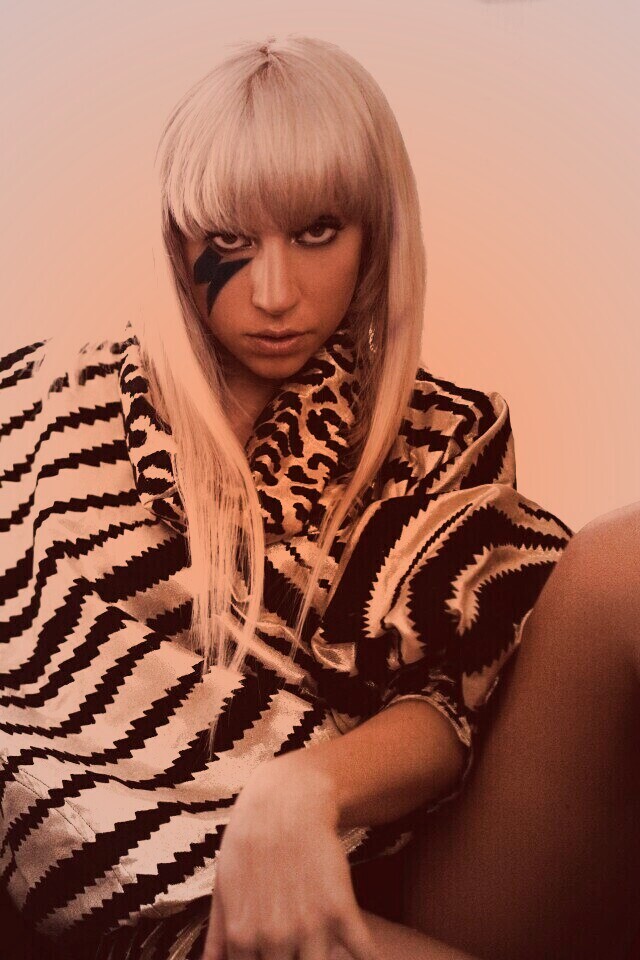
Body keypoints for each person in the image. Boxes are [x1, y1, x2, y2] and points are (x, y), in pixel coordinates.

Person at [0, 34, 634, 960]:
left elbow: (452, 695)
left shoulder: (440, 427)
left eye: (316, 232)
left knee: (625, 560)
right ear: (177, 240)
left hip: (420, 853)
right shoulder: (42, 411)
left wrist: (300, 790)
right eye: (228, 240)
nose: (273, 293)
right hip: (164, 897)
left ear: (374, 232)